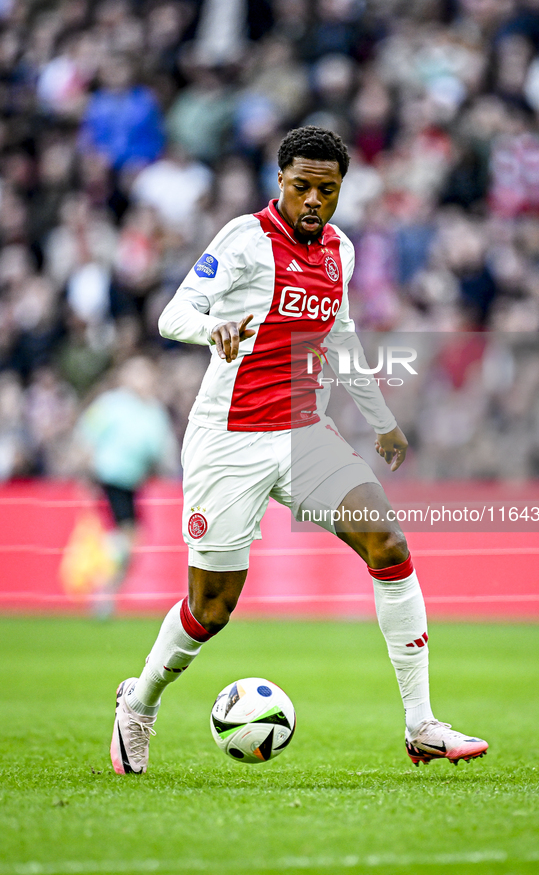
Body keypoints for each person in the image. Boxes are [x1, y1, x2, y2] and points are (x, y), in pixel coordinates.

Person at [110, 126, 488, 773]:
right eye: (302, 186)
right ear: (279, 182)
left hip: (303, 432)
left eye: (327, 189)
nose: (314, 200)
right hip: (229, 439)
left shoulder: (337, 248)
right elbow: (171, 314)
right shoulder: (243, 240)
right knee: (211, 607)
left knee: (389, 544)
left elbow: (339, 340)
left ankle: (421, 723)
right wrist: (213, 329)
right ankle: (138, 701)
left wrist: (380, 420)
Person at [76, 356, 177, 618]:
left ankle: (106, 590)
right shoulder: (112, 404)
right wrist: (86, 473)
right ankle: (103, 590)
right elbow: (87, 435)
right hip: (109, 479)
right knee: (125, 536)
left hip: (133, 484)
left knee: (131, 540)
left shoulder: (154, 412)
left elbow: (161, 452)